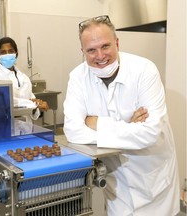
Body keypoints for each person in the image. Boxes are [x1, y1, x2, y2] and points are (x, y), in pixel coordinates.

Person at [63, 15, 180, 216]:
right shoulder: (78, 77)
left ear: (117, 43)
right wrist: (128, 126)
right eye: (91, 50)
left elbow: (150, 133)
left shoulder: (144, 70)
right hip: (117, 183)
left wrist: (96, 122)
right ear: (83, 51)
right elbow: (73, 132)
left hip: (154, 179)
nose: (100, 56)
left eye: (105, 46)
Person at [0, 37, 48, 123]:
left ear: (16, 53)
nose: (7, 55)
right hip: (5, 126)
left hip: (26, 128)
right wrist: (32, 104)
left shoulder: (24, 78)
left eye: (11, 51)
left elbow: (32, 104)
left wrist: (38, 105)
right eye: (3, 52)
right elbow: (6, 102)